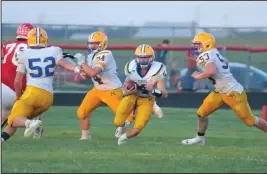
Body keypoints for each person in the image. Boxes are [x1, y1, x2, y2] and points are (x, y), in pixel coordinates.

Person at [74, 32, 163, 140]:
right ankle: (84, 137)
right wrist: (83, 73)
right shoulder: (90, 56)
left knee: (127, 116)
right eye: (91, 43)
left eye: (95, 43)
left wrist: (82, 63)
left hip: (112, 90)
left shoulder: (105, 54)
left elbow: (93, 72)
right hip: (97, 90)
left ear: (102, 43)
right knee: (82, 112)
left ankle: (150, 104)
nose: (92, 46)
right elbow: (90, 76)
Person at [181, 32, 267, 145]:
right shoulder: (213, 52)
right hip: (220, 91)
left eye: (198, 44)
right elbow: (226, 61)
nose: (196, 47)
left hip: (232, 92)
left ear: (206, 44)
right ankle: (200, 138)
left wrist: (199, 76)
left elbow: (211, 71)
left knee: (250, 120)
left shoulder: (206, 55)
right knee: (202, 113)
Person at [1, 27, 82, 143]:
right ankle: (3, 139)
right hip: (47, 98)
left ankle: (31, 123)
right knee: (19, 118)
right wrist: (76, 69)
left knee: (13, 119)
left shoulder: (24, 54)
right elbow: (63, 63)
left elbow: (18, 80)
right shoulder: (54, 50)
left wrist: (18, 98)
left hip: (32, 93)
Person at [114, 44, 168, 145]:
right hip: (132, 96)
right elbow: (125, 86)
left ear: (151, 58)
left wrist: (153, 90)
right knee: (117, 122)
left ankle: (122, 139)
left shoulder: (158, 69)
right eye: (140, 57)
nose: (143, 60)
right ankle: (123, 125)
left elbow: (164, 94)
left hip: (146, 99)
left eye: (146, 57)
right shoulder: (131, 66)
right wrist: (126, 92)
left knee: (138, 128)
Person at [1, 23, 44, 139]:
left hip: (2, 86)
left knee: (4, 113)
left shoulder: (8, 45)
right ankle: (34, 126)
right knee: (38, 102)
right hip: (16, 88)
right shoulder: (33, 48)